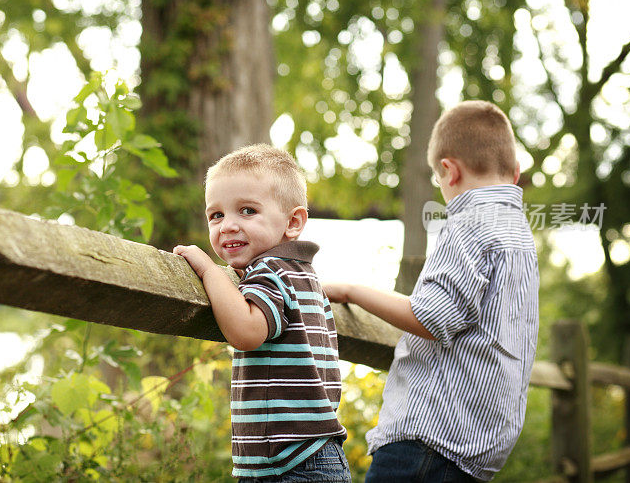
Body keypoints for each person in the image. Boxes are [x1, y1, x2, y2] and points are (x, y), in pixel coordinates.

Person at [324, 101, 539, 482]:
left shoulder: (470, 224)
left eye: (437, 179)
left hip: (431, 437)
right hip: (479, 442)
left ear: (448, 170)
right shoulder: (519, 234)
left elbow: (429, 316)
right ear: (516, 172)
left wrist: (351, 290)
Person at [173, 143, 350, 482]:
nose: (227, 225)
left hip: (292, 462)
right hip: (304, 457)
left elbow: (246, 331)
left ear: (293, 222)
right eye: (216, 215)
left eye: (248, 211)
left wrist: (210, 271)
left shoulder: (272, 270)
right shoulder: (299, 272)